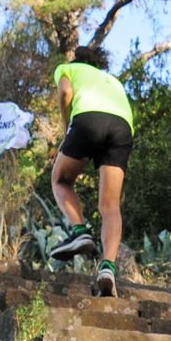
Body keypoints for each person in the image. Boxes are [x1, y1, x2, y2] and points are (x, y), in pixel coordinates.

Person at [46, 44, 136, 298]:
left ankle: (80, 231)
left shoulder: (67, 68)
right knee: (110, 206)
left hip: (88, 119)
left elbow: (65, 92)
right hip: (122, 126)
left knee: (60, 179)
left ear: (77, 59)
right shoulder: (112, 80)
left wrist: (67, 128)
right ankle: (107, 268)